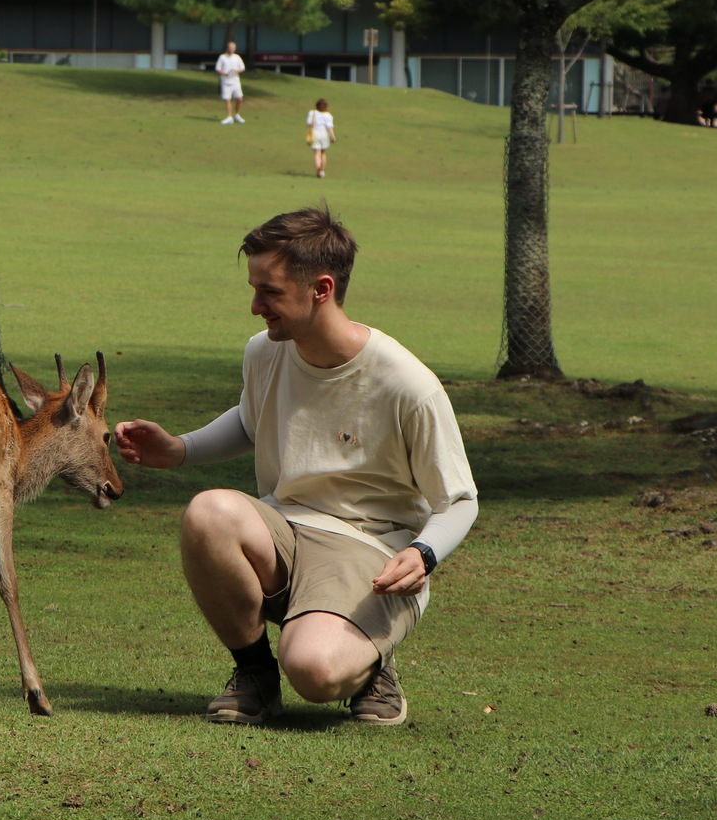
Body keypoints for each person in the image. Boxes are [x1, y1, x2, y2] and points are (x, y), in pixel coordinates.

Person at [115, 206, 478, 728]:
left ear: (321, 289)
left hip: (369, 550)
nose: (255, 306)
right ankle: (255, 676)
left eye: (270, 292)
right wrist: (179, 449)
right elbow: (250, 420)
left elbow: (459, 500)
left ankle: (372, 659)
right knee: (208, 513)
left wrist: (424, 553)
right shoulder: (265, 353)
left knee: (312, 669)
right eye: (254, 288)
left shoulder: (406, 384)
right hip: (285, 527)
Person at [215, 41, 246, 125]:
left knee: (239, 98)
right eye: (230, 47)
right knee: (227, 99)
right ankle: (229, 117)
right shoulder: (222, 57)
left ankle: (237, 114)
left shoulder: (237, 57)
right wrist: (224, 73)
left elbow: (243, 68)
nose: (232, 49)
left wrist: (237, 70)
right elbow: (217, 68)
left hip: (235, 82)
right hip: (226, 82)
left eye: (233, 48)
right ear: (227, 48)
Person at [306, 98, 336, 178]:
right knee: (323, 153)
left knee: (317, 152)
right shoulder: (328, 116)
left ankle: (318, 169)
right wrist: (333, 137)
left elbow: (309, 123)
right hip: (324, 134)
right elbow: (330, 127)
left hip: (315, 133)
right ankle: (322, 170)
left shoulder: (312, 113)